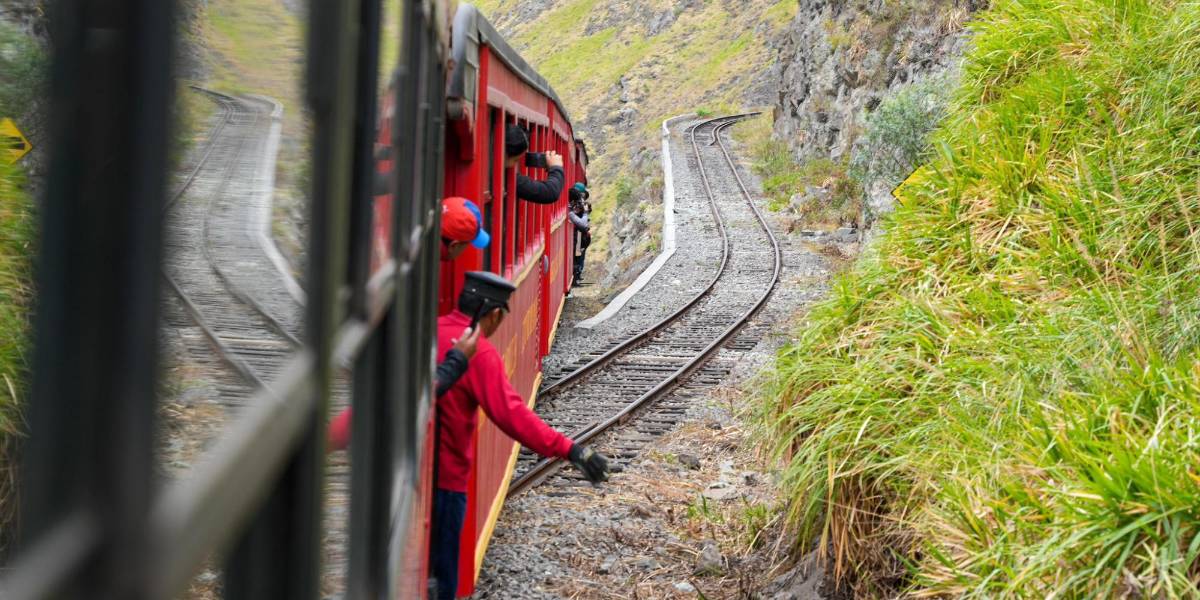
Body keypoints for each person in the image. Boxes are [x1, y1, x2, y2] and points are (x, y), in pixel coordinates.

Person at [429, 271, 610, 599]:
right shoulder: (478, 354)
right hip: (446, 487)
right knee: (444, 582)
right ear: (494, 314)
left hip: (407, 480)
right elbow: (513, 418)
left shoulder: (430, 332)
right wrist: (571, 450)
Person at [327, 196, 490, 450]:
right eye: (467, 245)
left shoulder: (410, 247)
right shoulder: (417, 276)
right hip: (378, 365)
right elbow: (416, 387)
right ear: (455, 244)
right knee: (374, 409)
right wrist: (457, 359)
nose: (466, 251)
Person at [505, 123, 565, 204]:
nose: (514, 166)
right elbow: (550, 192)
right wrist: (556, 168)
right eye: (516, 160)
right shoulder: (505, 177)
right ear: (505, 155)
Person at [568, 183, 591, 287]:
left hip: (580, 235)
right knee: (577, 256)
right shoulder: (571, 210)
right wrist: (584, 213)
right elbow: (583, 224)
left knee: (579, 256)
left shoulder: (578, 206)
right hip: (577, 234)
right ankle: (575, 277)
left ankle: (577, 275)